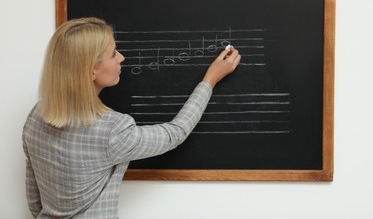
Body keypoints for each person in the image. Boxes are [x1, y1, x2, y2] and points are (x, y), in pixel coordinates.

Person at [22, 17, 241, 218]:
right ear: (91, 72)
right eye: (113, 53)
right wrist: (210, 79)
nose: (121, 57)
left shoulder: (37, 116)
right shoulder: (111, 131)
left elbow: (34, 198)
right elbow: (176, 132)